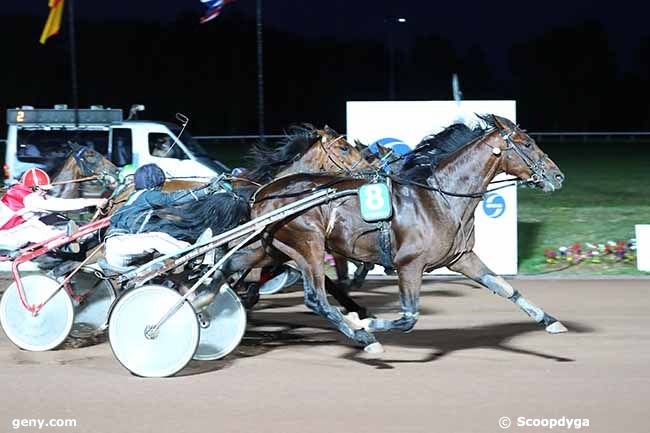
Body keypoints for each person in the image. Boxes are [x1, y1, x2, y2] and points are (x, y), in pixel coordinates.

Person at [105, 163, 220, 268]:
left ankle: (189, 250)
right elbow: (173, 199)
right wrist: (205, 192)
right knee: (155, 240)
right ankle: (192, 256)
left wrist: (203, 188)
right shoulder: (149, 195)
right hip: (119, 246)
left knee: (159, 236)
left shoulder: (136, 195)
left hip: (118, 243)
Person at [0, 168, 107, 251]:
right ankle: (64, 245)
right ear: (34, 187)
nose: (45, 192)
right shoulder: (28, 198)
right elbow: (58, 205)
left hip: (12, 231)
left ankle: (70, 239)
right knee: (35, 227)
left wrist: (91, 203)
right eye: (43, 190)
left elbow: (58, 201)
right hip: (6, 237)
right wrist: (94, 201)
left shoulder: (27, 192)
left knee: (54, 218)